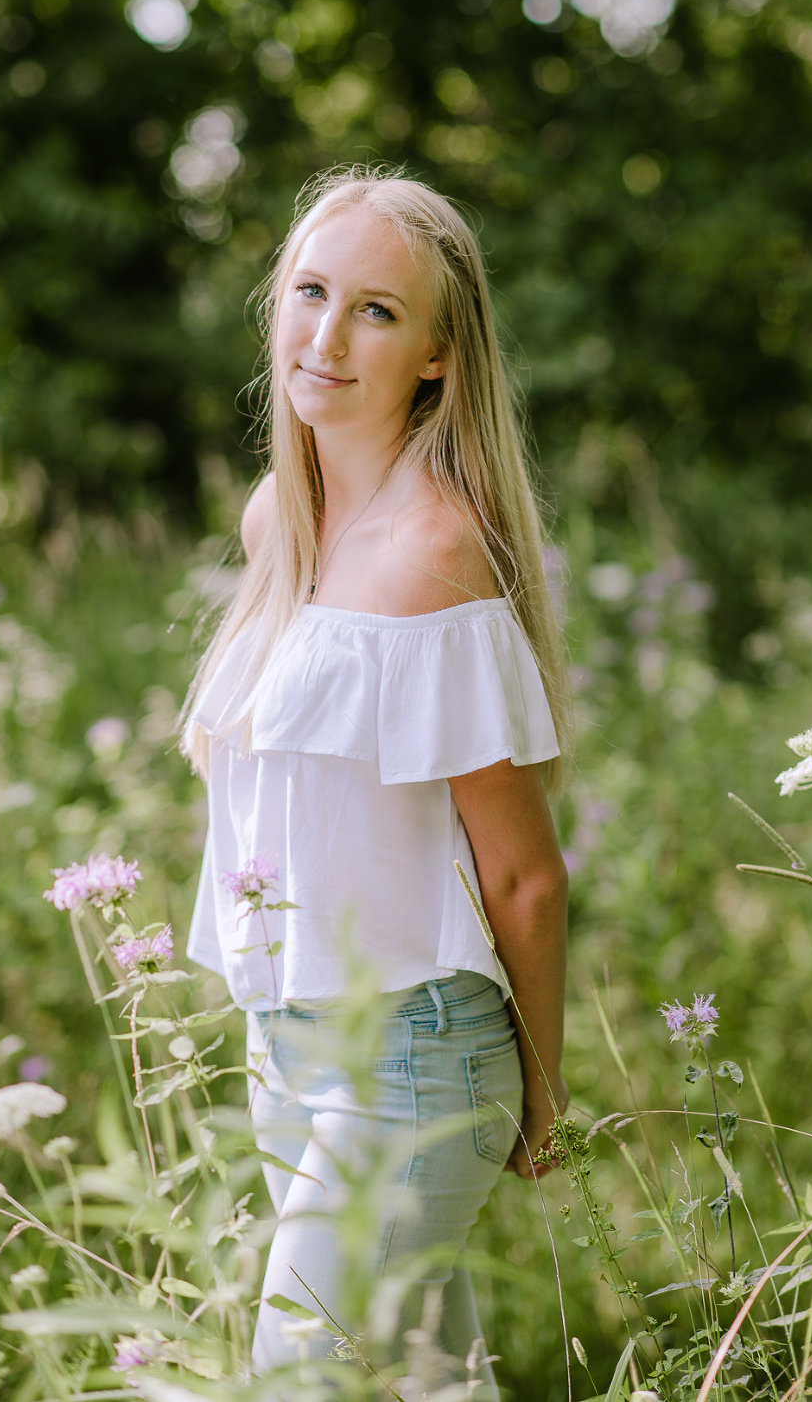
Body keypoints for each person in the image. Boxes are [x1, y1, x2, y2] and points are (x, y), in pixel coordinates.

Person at [181, 167, 570, 1390]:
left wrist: (541, 1098)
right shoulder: (277, 523)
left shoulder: (434, 553)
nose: (327, 334)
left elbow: (524, 869)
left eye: (376, 311)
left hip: (413, 1056)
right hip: (287, 1042)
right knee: (423, 1381)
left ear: (439, 354)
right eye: (310, 291)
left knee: (298, 1375)